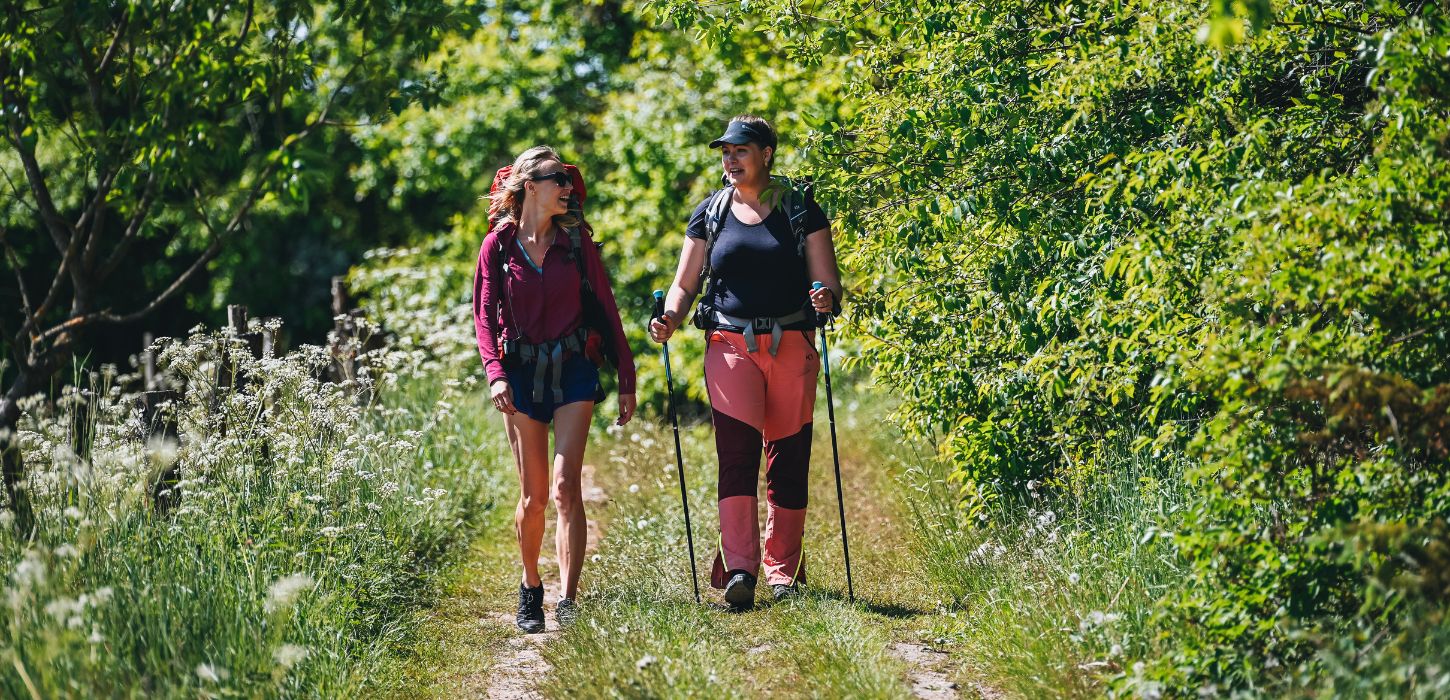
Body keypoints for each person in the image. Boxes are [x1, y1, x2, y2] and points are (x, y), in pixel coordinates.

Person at [649, 116, 842, 610]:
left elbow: (828, 282)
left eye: (740, 151)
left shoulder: (801, 210)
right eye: (726, 153)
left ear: (766, 154)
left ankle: (785, 571)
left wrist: (826, 300)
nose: (730, 160)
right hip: (730, 344)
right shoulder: (710, 213)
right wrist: (670, 316)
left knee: (789, 458)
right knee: (736, 456)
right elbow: (685, 281)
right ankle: (740, 569)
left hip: (792, 342)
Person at [473, 146, 637, 632]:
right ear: (529, 186)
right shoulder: (498, 247)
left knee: (567, 488)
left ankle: (568, 600)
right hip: (520, 373)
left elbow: (606, 307)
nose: (568, 187)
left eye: (568, 180)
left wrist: (625, 375)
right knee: (535, 496)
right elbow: (484, 317)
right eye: (557, 179)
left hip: (573, 369)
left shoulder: (576, 242)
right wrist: (495, 372)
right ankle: (530, 587)